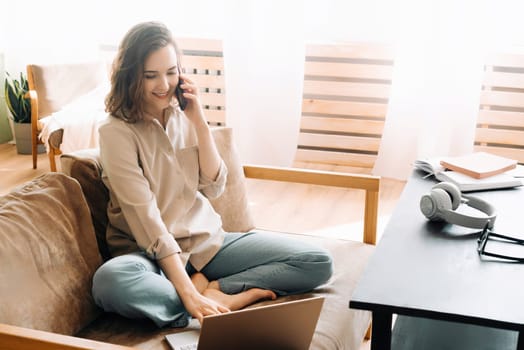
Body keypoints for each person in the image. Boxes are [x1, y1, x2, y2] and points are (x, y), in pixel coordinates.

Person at [92, 21, 333, 328]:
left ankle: (219, 293)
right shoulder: (115, 132)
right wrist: (187, 290)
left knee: (317, 262)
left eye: (170, 71)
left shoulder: (182, 115)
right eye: (150, 75)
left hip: (208, 244)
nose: (164, 84)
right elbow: (146, 220)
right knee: (109, 282)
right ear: (130, 76)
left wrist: (200, 122)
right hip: (149, 256)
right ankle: (197, 297)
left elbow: (215, 185)